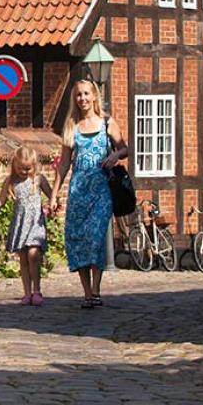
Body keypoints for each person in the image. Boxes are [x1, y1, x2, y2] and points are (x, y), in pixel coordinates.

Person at [52, 79, 130, 309]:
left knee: (95, 237)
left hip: (101, 189)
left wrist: (115, 156)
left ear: (94, 96)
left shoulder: (107, 123)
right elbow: (64, 163)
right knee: (78, 238)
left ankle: (96, 288)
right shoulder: (71, 126)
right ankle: (87, 292)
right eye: (78, 95)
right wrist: (55, 193)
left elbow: (124, 148)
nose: (83, 98)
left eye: (86, 94)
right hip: (78, 190)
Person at [2, 146, 53, 306]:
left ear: (34, 165)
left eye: (27, 168)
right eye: (20, 168)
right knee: (23, 258)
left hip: (35, 223)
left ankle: (37, 290)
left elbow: (51, 196)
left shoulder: (38, 179)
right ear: (14, 165)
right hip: (20, 223)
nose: (23, 172)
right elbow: (1, 201)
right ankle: (27, 292)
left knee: (33, 254)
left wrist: (53, 205)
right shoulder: (10, 181)